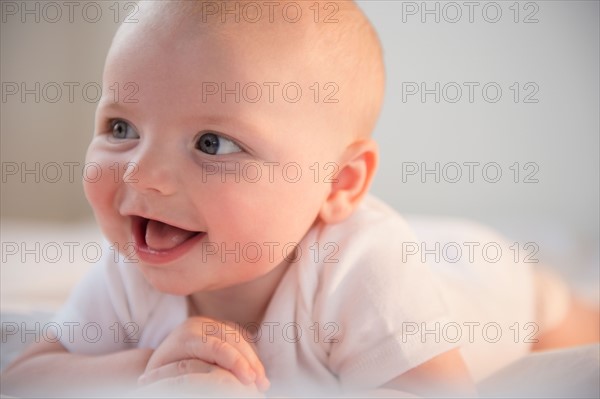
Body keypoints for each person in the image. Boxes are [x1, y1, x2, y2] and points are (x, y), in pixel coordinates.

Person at [2, 1, 597, 397]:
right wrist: (146, 364)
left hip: (482, 281)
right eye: (121, 127)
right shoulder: (134, 265)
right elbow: (30, 377)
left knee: (564, 315)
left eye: (212, 142)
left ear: (338, 183)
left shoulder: (361, 271)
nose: (144, 174)